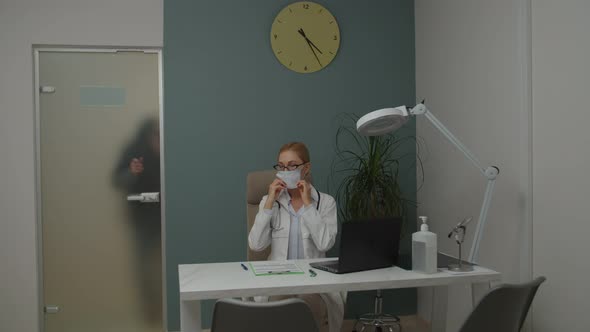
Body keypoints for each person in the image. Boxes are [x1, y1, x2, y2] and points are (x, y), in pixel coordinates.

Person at [248, 142, 345, 332]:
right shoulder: (269, 202)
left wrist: (308, 205)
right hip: (278, 278)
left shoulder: (325, 202)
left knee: (308, 304)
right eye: (281, 166)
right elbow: (255, 245)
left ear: (306, 168)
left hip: (314, 279)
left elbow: (325, 243)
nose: (286, 171)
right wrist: (269, 202)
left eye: (292, 165)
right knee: (279, 304)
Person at [113, 118, 162, 326]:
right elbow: (116, 180)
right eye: (154, 135)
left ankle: (166, 310)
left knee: (167, 265)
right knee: (144, 270)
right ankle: (150, 315)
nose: (157, 140)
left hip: (167, 219)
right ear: (147, 135)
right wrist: (132, 173)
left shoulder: (171, 145)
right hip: (142, 220)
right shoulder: (133, 149)